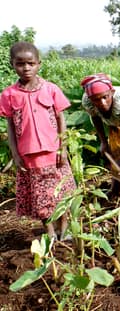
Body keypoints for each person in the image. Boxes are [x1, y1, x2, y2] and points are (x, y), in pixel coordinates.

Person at [0, 41, 76, 239]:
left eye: (31, 63)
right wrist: (15, 154)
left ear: (39, 64)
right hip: (30, 155)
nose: (26, 68)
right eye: (20, 63)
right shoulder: (8, 95)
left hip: (54, 151)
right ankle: (50, 232)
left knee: (63, 192)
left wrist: (64, 148)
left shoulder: (50, 89)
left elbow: (61, 119)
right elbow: (9, 126)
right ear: (12, 64)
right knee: (40, 197)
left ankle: (65, 229)